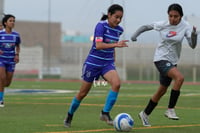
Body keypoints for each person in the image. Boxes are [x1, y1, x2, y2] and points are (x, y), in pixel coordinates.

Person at [131, 3, 197, 127]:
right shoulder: (163, 24)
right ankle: (170, 109)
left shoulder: (185, 26)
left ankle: (145, 113)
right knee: (180, 78)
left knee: (162, 90)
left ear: (181, 16)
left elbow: (192, 45)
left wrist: (194, 35)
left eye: (175, 16)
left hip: (172, 62)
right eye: (170, 16)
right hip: (160, 59)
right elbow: (146, 26)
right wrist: (135, 35)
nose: (172, 19)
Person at [64, 4, 128, 128]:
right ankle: (69, 115)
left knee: (117, 84)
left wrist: (113, 58)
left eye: (121, 18)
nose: (118, 20)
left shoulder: (119, 30)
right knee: (82, 93)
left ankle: (105, 113)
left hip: (107, 64)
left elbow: (113, 45)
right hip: (93, 64)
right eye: (116, 17)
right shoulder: (100, 26)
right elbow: (98, 45)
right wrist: (116, 45)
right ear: (109, 15)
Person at [0, 14, 21, 107]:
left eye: (13, 21)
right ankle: (1, 100)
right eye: (10, 21)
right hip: (1, 59)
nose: (13, 22)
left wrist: (17, 54)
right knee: (2, 78)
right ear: (5, 23)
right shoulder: (0, 34)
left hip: (11, 60)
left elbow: (18, 46)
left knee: (7, 83)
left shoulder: (16, 35)